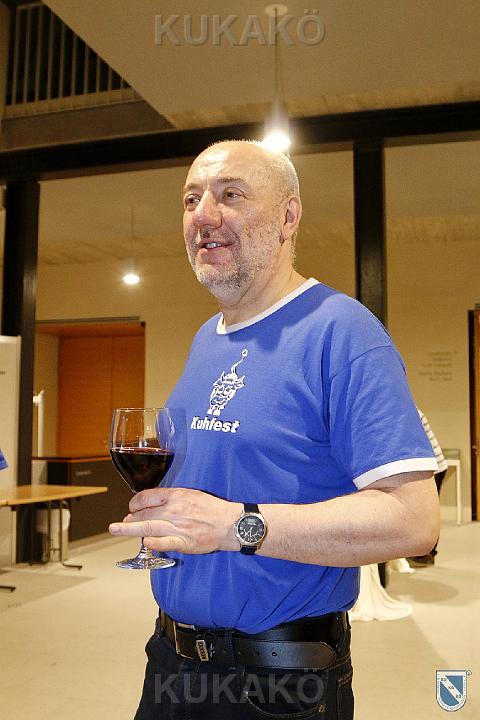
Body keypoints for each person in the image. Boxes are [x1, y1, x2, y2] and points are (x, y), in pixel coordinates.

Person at [109, 140, 440, 719]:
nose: (204, 215)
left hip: (278, 682)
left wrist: (235, 526)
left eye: (231, 195)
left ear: (289, 217)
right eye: (191, 199)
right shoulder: (205, 338)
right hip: (171, 662)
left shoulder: (342, 331)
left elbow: (414, 521)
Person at [407, 409, 448, 566]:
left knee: (428, 513)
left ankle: (427, 554)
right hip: (432, 466)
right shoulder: (410, 409)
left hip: (434, 468)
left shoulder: (411, 411)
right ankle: (424, 553)